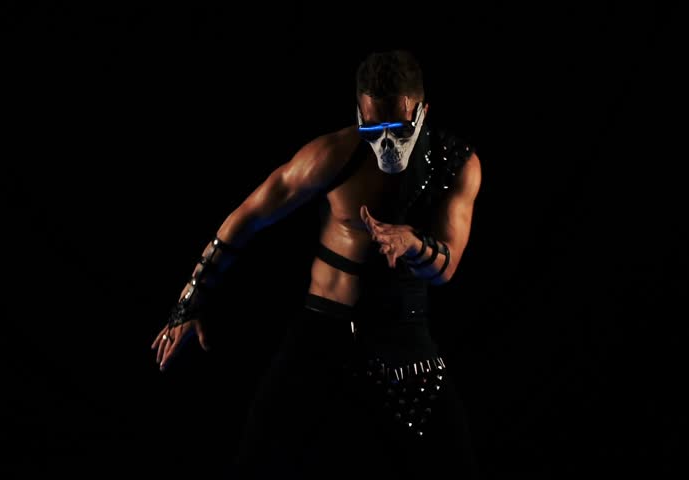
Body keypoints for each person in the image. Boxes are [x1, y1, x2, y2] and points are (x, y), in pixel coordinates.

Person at [151, 49, 483, 478]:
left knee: (452, 466)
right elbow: (248, 217)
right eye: (373, 127)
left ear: (421, 111)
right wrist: (189, 304)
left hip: (403, 337)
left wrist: (414, 243)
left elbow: (447, 266)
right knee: (259, 458)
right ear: (358, 114)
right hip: (321, 333)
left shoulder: (455, 164)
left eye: (397, 128)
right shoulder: (335, 153)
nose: (385, 142)